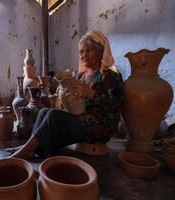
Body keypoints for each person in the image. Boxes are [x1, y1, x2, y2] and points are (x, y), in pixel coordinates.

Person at [8, 30, 124, 159]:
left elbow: (116, 104)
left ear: (101, 51)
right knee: (44, 111)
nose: (84, 55)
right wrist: (64, 93)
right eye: (81, 52)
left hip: (99, 124)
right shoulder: (82, 74)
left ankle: (24, 151)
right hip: (82, 118)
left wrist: (91, 94)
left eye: (89, 51)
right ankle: (29, 147)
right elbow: (75, 100)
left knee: (53, 116)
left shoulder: (110, 75)